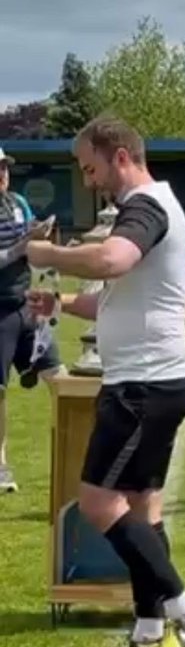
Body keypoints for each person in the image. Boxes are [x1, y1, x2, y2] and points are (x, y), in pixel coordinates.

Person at [27, 117, 185, 647]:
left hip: (144, 385)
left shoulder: (146, 206)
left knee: (98, 504)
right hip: (154, 380)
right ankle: (150, 629)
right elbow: (118, 296)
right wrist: (60, 303)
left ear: (121, 156)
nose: (89, 183)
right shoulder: (154, 206)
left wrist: (48, 255)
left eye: (91, 168)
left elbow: (112, 261)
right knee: (140, 507)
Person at [0, 145, 62, 493]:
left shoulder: (18, 204)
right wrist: (22, 246)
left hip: (27, 307)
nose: (2, 175)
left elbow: (32, 258)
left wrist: (41, 241)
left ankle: (80, 452)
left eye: (5, 168)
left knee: (60, 376)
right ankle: (0, 466)